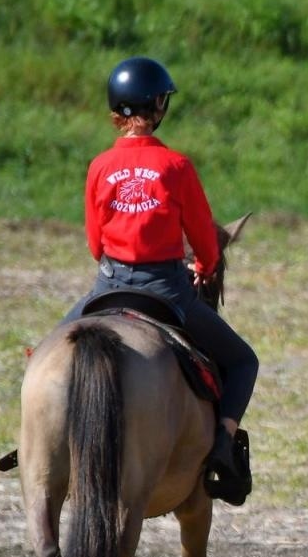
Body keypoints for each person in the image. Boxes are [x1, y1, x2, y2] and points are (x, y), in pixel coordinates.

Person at [65, 56, 258, 505]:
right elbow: (204, 240)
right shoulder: (176, 166)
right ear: (157, 106)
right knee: (243, 362)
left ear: (116, 109)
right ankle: (222, 449)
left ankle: (37, 441)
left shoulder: (99, 166)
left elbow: (95, 243)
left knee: (44, 355)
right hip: (166, 290)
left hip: (107, 286)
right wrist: (205, 266)